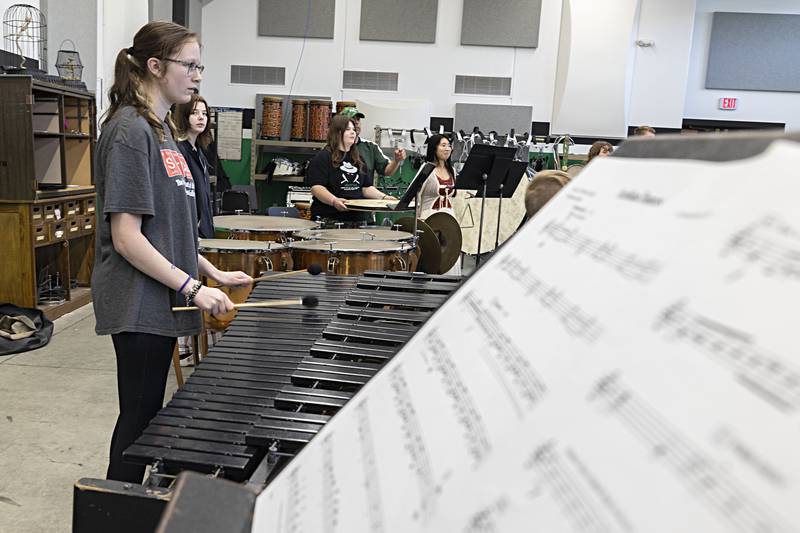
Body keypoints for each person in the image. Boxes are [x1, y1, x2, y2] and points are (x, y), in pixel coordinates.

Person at [91, 21, 252, 483]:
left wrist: (211, 271)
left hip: (162, 297)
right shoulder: (129, 132)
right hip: (139, 300)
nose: (198, 74)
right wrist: (192, 287)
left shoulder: (162, 132)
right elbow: (126, 237)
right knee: (138, 421)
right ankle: (112, 513)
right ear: (156, 66)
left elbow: (168, 227)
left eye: (200, 65)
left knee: (148, 419)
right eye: (190, 64)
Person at [306, 114, 396, 225]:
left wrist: (384, 197)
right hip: (330, 220)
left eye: (354, 129)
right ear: (338, 133)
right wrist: (334, 201)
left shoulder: (358, 158)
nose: (353, 132)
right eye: (348, 129)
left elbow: (365, 188)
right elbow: (317, 187)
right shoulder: (323, 157)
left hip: (357, 220)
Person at [419, 134, 461, 275]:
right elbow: (416, 194)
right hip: (430, 218)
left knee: (449, 256)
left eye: (449, 145)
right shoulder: (426, 169)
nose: (447, 148)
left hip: (449, 219)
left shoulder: (452, 171)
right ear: (434, 148)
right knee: (432, 258)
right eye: (443, 145)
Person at [174, 92, 214, 239]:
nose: (201, 117)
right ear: (185, 116)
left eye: (204, 113)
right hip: (190, 234)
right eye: (194, 113)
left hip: (203, 231)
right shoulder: (180, 150)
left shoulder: (198, 152)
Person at [339, 106, 405, 184]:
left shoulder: (370, 147)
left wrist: (396, 160)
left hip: (366, 195)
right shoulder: (332, 149)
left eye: (358, 119)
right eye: (352, 119)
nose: (356, 122)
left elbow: (386, 171)